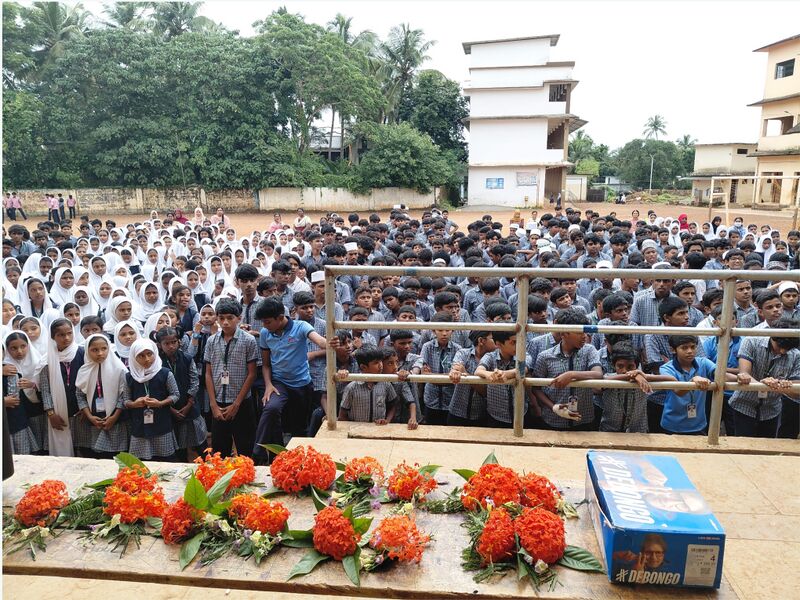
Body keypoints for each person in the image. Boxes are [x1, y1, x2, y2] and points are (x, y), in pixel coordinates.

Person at [253, 297, 331, 462]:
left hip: (302, 385)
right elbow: (266, 365)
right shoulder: (266, 333)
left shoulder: (301, 326)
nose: (264, 326)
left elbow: (320, 341)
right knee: (271, 408)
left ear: (280, 317)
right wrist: (268, 385)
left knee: (299, 428)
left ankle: (298, 463)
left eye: (267, 322)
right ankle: (258, 452)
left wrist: (331, 343)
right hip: (279, 384)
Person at [204, 298, 258, 459]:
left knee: (245, 449)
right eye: (221, 318)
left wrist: (236, 403)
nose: (225, 322)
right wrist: (213, 404)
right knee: (219, 451)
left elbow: (252, 374)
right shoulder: (212, 341)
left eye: (230, 318)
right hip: (219, 402)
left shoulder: (248, 340)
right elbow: (208, 373)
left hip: (241, 402)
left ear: (239, 318)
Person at [124, 338, 180, 460]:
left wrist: (160, 403)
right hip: (140, 426)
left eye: (149, 354)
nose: (147, 359)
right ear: (134, 357)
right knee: (140, 465)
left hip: (161, 424)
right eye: (141, 356)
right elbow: (125, 400)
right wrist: (134, 404)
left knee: (165, 461)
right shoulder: (129, 376)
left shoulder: (165, 373)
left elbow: (175, 395)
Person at [74, 334, 128, 457]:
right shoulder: (84, 370)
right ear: (87, 351)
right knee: (95, 455)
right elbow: (80, 395)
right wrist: (89, 416)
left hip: (116, 420)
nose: (100, 353)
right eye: (94, 350)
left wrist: (114, 416)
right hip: (94, 419)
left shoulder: (119, 369)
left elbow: (124, 395)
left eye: (104, 349)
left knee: (115, 455)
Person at [337, 346, 398, 425]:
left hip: (378, 431)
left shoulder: (386, 384)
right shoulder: (352, 388)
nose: (381, 365)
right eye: (376, 363)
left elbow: (393, 406)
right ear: (363, 367)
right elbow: (342, 415)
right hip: (356, 431)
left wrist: (387, 421)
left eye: (381, 361)